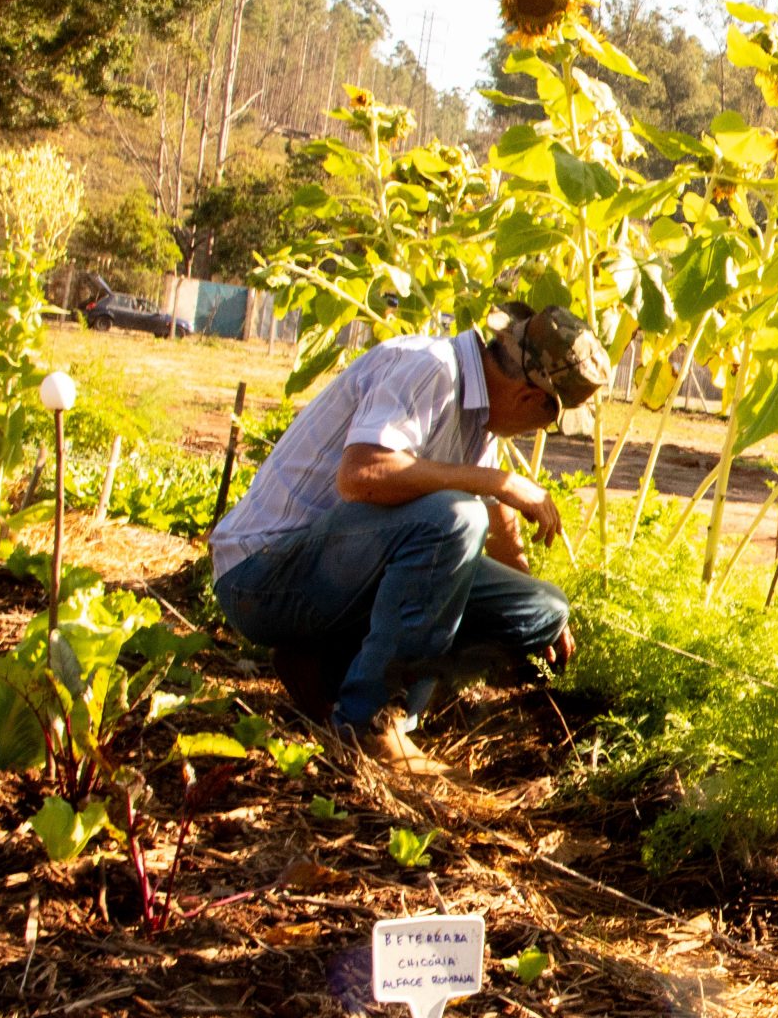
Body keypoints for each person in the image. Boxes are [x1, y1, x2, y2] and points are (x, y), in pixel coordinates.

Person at [208, 303, 608, 774]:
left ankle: (324, 668)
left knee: (540, 609)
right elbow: (363, 474)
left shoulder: (480, 411)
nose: (539, 430)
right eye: (548, 421)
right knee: (455, 519)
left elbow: (497, 518)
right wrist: (497, 482)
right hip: (262, 575)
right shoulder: (429, 368)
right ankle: (371, 722)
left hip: (329, 577)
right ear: (529, 399)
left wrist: (537, 615)